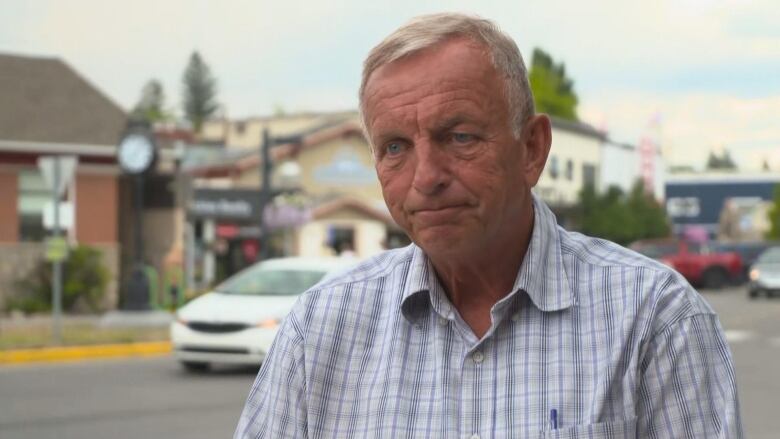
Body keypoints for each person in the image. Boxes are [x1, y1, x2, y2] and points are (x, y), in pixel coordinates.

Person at [235, 13, 742, 438]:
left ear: (532, 149)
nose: (426, 178)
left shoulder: (653, 319)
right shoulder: (322, 328)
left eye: (459, 137)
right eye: (395, 147)